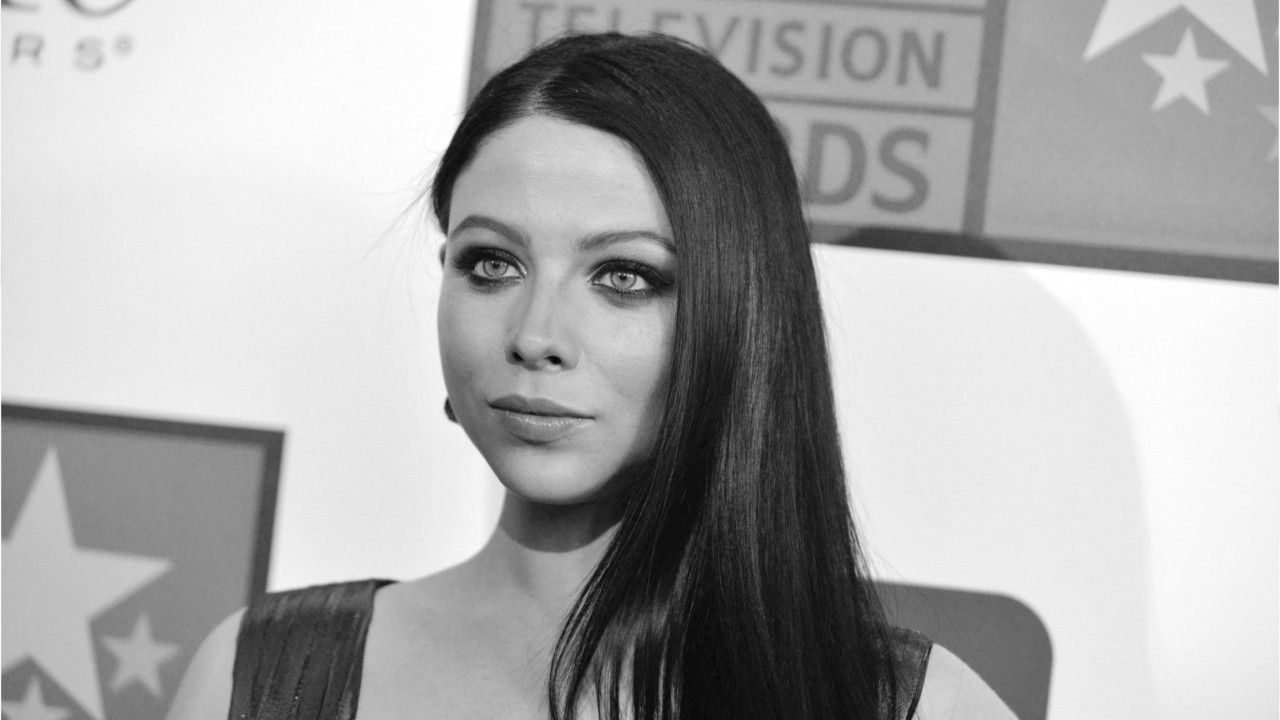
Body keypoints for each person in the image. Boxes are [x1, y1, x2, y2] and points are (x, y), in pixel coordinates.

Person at [169, 32, 1015, 720]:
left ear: (742, 318)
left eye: (624, 277)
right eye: (492, 264)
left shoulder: (915, 706)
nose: (535, 335)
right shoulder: (257, 675)